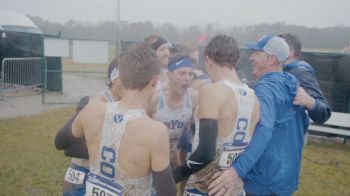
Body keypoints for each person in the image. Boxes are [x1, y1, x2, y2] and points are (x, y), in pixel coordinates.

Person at [65, 44, 176, 196]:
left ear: (121, 78)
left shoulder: (93, 109)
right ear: (154, 81)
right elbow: (167, 192)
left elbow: (61, 141)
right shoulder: (155, 131)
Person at [208, 35, 310, 196]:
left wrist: (236, 170)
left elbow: (264, 130)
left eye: (256, 52)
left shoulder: (266, 88)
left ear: (271, 59)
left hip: (262, 181)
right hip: (285, 179)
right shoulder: (291, 84)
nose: (251, 57)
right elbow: (303, 125)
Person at [173, 34, 260, 196]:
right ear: (236, 61)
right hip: (233, 188)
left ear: (208, 59)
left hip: (204, 187)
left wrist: (176, 175)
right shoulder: (254, 98)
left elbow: (206, 152)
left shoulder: (212, 91)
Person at [55, 57, 124, 196]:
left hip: (105, 176)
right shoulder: (95, 103)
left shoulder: (127, 102)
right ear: (114, 78)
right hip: (85, 172)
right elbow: (64, 144)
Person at [148, 53, 198, 167]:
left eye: (191, 74)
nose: (187, 78)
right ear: (170, 75)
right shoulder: (155, 98)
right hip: (149, 156)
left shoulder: (194, 98)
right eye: (182, 73)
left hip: (171, 155)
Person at [279, 33, 331, 124]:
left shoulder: (301, 73)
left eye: (278, 46)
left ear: (290, 51)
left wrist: (309, 102)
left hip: (292, 134)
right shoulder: (278, 70)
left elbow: (324, 113)